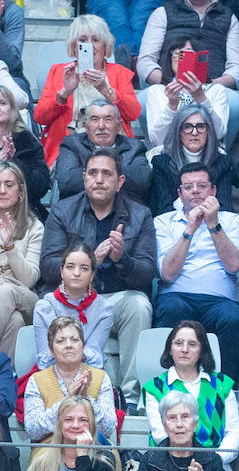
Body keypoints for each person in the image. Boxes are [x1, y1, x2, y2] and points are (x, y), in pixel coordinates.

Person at [39, 148, 154, 402]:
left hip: (115, 300)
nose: (99, 179)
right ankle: (53, 390)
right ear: (84, 178)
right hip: (73, 299)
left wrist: (121, 259)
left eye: (106, 173)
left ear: (120, 181)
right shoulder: (62, 210)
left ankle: (130, 397)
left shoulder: (140, 214)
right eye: (93, 173)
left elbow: (147, 272)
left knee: (139, 304)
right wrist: (89, 260)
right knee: (44, 303)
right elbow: (47, 267)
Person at [151, 167, 239, 383]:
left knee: (233, 318)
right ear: (180, 193)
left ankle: (225, 388)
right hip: (177, 296)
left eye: (202, 186)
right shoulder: (163, 222)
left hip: (220, 301)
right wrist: (189, 229)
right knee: (170, 309)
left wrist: (213, 224)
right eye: (188, 187)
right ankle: (168, 383)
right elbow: (167, 274)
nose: (195, 191)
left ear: (213, 190)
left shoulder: (231, 221)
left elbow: (234, 266)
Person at [33, 16, 140, 165]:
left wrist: (106, 90)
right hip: (68, 151)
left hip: (113, 151)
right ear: (73, 46)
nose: (89, 46)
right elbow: (40, 118)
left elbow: (133, 113)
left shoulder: (119, 73)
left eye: (95, 40)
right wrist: (64, 93)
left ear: (105, 46)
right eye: (82, 40)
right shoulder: (59, 72)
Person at [140, 321, 239, 460]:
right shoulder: (155, 387)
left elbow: (234, 433)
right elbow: (160, 435)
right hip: (169, 464)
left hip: (215, 463)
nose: (184, 349)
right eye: (178, 343)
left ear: (202, 350)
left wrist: (214, 461)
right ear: (170, 349)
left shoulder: (222, 385)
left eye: (192, 344)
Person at [24, 318, 117, 441]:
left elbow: (108, 428)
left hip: (94, 447)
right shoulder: (36, 380)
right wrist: (66, 401)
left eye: (74, 340)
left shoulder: (101, 377)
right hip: (50, 450)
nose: (68, 345)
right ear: (51, 350)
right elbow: (33, 430)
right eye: (61, 341)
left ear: (83, 347)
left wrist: (86, 400)